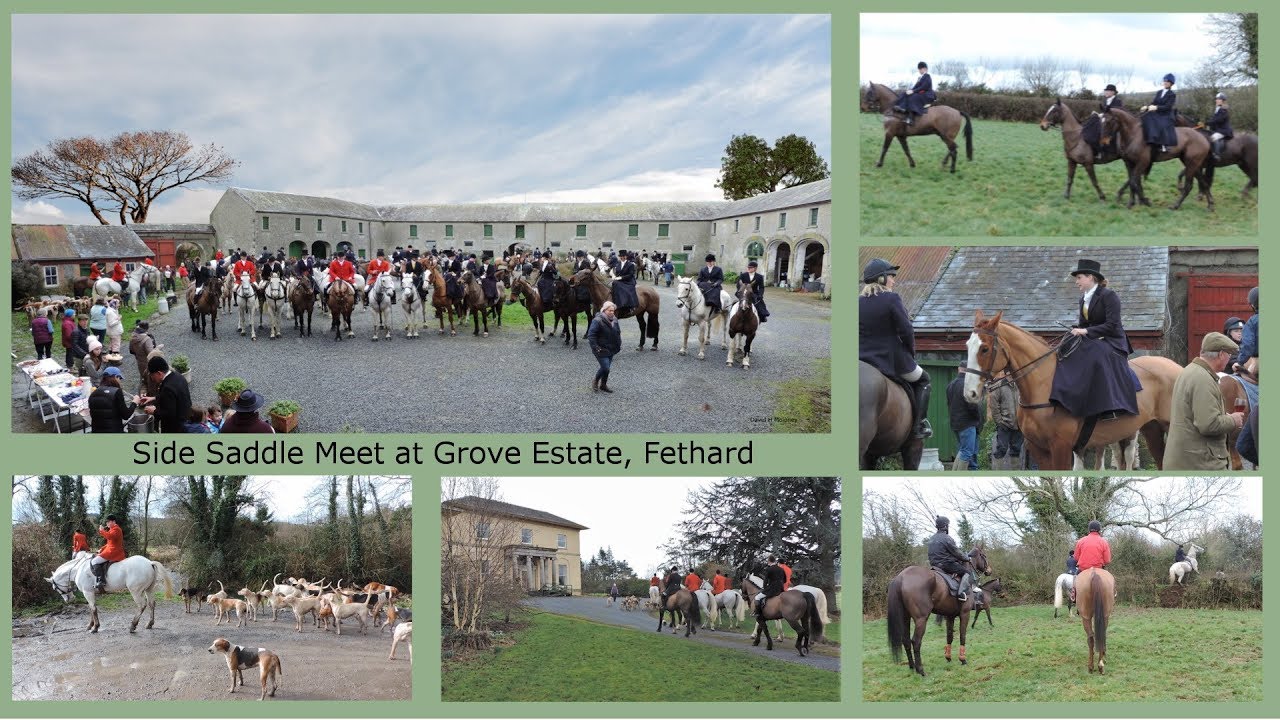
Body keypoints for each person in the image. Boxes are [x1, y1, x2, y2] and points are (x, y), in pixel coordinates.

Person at [1054, 259, 1141, 433]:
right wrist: (1075, 331)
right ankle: (1069, 397)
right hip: (1095, 338)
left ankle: (1110, 406)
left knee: (1095, 354)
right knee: (1065, 349)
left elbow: (1112, 325)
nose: (1076, 281)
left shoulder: (1109, 296)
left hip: (1113, 341)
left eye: (1079, 277)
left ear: (1090, 277)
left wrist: (1085, 332)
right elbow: (1083, 324)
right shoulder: (1083, 300)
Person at [859, 258, 932, 438]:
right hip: (890, 359)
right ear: (882, 279)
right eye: (891, 276)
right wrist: (910, 352)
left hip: (861, 357)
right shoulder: (892, 298)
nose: (894, 280)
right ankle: (918, 426)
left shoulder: (858, 302)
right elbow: (906, 330)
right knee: (924, 380)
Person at [1164, 332, 1244, 470]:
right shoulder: (1203, 379)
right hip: (1200, 463)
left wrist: (1224, 417)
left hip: (1187, 460)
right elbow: (1208, 425)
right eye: (1229, 355)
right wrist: (1233, 420)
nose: (1229, 359)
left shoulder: (1190, 370)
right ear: (1220, 354)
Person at [927, 516, 975, 602]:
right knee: (966, 572)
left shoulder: (931, 539)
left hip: (934, 565)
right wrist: (967, 558)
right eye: (948, 525)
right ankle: (961, 593)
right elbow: (957, 553)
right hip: (945, 565)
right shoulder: (947, 538)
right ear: (945, 526)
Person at [142, 355, 191, 434]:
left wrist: (154, 411)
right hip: (185, 419)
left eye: (152, 375)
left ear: (159, 373)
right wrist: (154, 398)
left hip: (174, 427)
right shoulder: (178, 376)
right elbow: (174, 397)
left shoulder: (167, 387)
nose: (152, 378)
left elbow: (169, 414)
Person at [947, 367, 982, 470]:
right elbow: (973, 406)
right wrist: (978, 418)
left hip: (956, 424)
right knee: (967, 452)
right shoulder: (968, 385)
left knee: (963, 450)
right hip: (968, 424)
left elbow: (949, 404)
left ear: (958, 369)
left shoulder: (950, 385)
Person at [587, 301, 622, 393]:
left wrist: (619, 342)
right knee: (605, 367)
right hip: (601, 349)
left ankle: (603, 385)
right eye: (610, 310)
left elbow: (618, 332)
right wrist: (595, 347)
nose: (612, 312)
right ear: (604, 310)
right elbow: (591, 335)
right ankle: (595, 381)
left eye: (613, 311)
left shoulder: (614, 319)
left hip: (611, 348)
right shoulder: (597, 321)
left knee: (606, 368)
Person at [989, 379, 1025, 469]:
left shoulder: (1021, 384)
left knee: (1016, 450)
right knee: (1001, 449)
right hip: (1004, 424)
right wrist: (1000, 422)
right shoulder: (999, 386)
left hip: (1018, 425)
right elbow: (994, 405)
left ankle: (1015, 473)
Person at [1085, 84, 1125, 160]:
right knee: (1093, 119)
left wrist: (1100, 115)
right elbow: (1105, 113)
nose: (1105, 92)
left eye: (1107, 91)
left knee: (1102, 130)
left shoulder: (1118, 101)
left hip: (1113, 123)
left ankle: (1101, 150)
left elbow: (1117, 113)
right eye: (1105, 91)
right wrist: (1098, 114)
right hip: (1106, 120)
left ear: (1113, 92)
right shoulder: (1105, 101)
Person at [1141, 73, 1178, 153]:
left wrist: (1157, 107)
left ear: (1171, 84)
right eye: (1165, 81)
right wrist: (1147, 107)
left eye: (1168, 82)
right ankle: (1147, 138)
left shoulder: (1172, 94)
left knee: (1158, 122)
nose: (1165, 83)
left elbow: (1168, 107)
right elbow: (1154, 102)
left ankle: (1163, 145)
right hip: (1157, 112)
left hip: (1166, 114)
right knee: (1146, 116)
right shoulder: (1159, 92)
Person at [88, 366, 132, 433]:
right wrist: (135, 403)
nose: (120, 381)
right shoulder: (117, 391)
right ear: (116, 377)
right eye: (119, 378)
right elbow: (126, 415)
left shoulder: (93, 393)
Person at [91, 514, 126, 593]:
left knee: (94, 561)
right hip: (111, 549)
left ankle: (101, 580)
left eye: (108, 522)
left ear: (114, 521)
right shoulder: (112, 529)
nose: (107, 524)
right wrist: (101, 549)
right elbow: (110, 543)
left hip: (113, 552)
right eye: (106, 522)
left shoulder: (116, 529)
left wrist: (102, 531)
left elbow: (109, 537)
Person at [893, 61, 935, 125]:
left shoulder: (927, 76)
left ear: (925, 69)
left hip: (927, 95)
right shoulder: (920, 78)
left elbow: (924, 87)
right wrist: (909, 91)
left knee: (913, 97)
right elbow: (915, 87)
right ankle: (900, 107)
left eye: (921, 69)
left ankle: (911, 119)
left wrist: (913, 91)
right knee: (904, 94)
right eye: (919, 69)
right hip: (920, 93)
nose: (919, 70)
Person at [129, 321, 158, 397]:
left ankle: (141, 396)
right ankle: (150, 397)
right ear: (147, 328)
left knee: (143, 379)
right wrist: (157, 349)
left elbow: (131, 350)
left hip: (140, 362)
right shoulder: (147, 339)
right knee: (151, 380)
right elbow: (151, 353)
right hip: (148, 362)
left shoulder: (133, 338)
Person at [1205, 92, 1233, 162]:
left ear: (1222, 101)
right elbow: (1213, 119)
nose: (1216, 100)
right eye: (1216, 99)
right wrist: (1205, 123)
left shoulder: (1223, 110)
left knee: (1213, 138)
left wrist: (1207, 123)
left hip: (1223, 130)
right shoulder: (1218, 109)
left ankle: (1216, 155)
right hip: (1218, 130)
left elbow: (1218, 120)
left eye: (1218, 99)